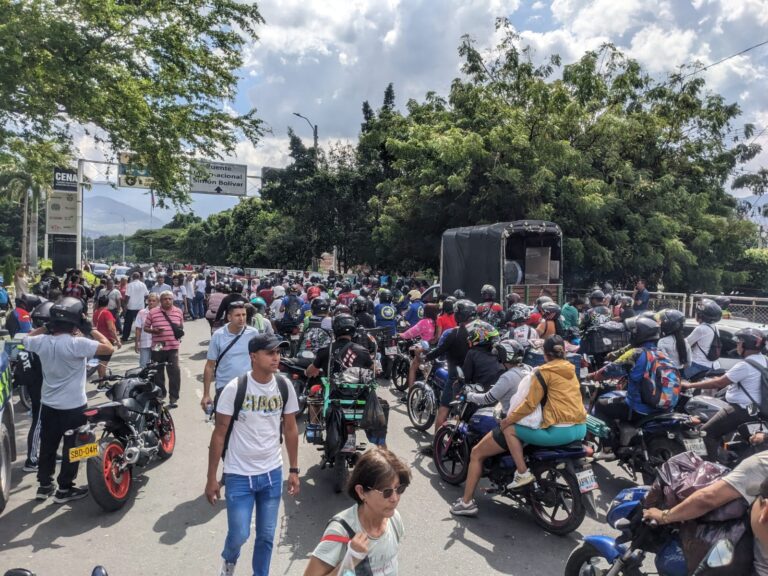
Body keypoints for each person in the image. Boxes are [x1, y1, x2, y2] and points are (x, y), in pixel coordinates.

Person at [205, 333, 301, 576]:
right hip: (238, 474)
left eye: (278, 352)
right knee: (239, 534)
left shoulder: (284, 386)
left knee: (266, 536)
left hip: (271, 473)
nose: (276, 357)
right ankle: (229, 561)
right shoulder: (235, 389)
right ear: (253, 357)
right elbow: (219, 434)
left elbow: (290, 429)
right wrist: (211, 478)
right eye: (270, 353)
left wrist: (293, 469)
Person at [22, 297, 113, 503]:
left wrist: (46, 327)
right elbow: (109, 348)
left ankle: (44, 486)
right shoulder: (78, 344)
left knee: (48, 446)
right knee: (75, 448)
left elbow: (25, 339)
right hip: (74, 407)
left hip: (49, 405)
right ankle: (65, 489)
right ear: (75, 323)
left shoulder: (41, 341)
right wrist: (90, 328)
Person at [644, 451, 768, 575]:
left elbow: (708, 498)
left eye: (760, 500)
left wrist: (665, 516)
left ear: (765, 512)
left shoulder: (761, 462)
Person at [450, 339, 530, 516]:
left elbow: (488, 398)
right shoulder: (528, 369)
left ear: (503, 356)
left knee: (476, 454)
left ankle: (466, 503)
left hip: (512, 423)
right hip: (530, 423)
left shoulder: (508, 377)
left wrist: (470, 395)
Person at [497, 335, 587, 489]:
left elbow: (529, 405)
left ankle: (522, 473)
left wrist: (508, 420)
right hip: (581, 428)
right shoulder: (571, 369)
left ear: (545, 354)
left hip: (560, 432)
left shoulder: (543, 372)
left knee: (509, 429)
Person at [305, 447, 410, 576]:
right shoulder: (340, 531)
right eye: (386, 492)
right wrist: (351, 558)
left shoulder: (394, 519)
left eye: (399, 489)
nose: (395, 498)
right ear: (361, 492)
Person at [683, 328, 766, 462]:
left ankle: (708, 467)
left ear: (746, 345)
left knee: (705, 432)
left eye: (739, 342)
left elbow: (719, 383)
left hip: (740, 409)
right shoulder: (764, 360)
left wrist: (689, 385)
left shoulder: (745, 365)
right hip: (755, 409)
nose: (737, 345)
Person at [590, 316, 677, 440]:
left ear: (638, 334)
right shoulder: (662, 354)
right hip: (664, 408)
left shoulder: (636, 353)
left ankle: (609, 444)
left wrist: (591, 376)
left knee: (601, 404)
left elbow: (607, 371)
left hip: (638, 409)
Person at [422, 299, 476, 449]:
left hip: (456, 378)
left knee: (443, 408)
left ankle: (436, 445)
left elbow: (440, 350)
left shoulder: (454, 333)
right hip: (475, 378)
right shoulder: (480, 332)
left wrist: (425, 356)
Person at [202, 302, 259, 413]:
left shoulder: (253, 333)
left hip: (248, 387)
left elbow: (258, 360)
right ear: (229, 317)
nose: (241, 318)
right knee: (224, 422)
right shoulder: (218, 335)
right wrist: (206, 394)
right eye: (237, 315)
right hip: (225, 387)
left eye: (244, 315)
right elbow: (209, 366)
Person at [14, 301, 52, 472]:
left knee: (46, 423)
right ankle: (31, 459)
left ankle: (46, 453)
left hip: (37, 386)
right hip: (39, 388)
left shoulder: (32, 338)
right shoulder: (38, 342)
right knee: (38, 422)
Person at [144, 290, 184, 408]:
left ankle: (174, 397)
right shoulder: (153, 312)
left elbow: (181, 327)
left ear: (173, 300)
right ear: (160, 301)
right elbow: (146, 328)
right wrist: (154, 331)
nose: (167, 301)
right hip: (158, 346)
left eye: (169, 299)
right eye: (165, 299)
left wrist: (178, 335)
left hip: (173, 347)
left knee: (175, 372)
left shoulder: (178, 311)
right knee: (157, 373)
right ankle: (161, 395)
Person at [399, 303, 439, 391]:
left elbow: (411, 332)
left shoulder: (425, 322)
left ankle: (410, 391)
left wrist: (401, 335)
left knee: (413, 367)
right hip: (436, 349)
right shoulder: (438, 321)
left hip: (425, 348)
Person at [685, 298, 722, 380]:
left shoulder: (701, 328)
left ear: (701, 315)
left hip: (698, 364)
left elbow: (686, 343)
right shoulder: (715, 327)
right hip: (712, 365)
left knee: (676, 378)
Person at [463, 320, 505, 389]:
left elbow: (466, 377)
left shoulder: (472, 353)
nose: (469, 337)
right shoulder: (498, 351)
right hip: (499, 388)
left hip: (481, 389)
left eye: (472, 335)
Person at [92, 294, 121, 378]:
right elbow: (111, 329)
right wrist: (117, 340)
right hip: (107, 340)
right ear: (107, 303)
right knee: (104, 362)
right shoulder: (106, 313)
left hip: (98, 339)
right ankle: (102, 382)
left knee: (100, 362)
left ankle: (102, 380)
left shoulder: (96, 313)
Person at [134, 293, 159, 368]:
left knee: (157, 365)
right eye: (150, 300)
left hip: (158, 343)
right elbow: (138, 329)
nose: (151, 302)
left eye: (153, 301)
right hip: (144, 343)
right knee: (143, 365)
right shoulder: (141, 312)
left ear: (158, 302)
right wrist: (137, 343)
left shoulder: (161, 312)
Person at [122, 272, 149, 341]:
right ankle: (141, 337)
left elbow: (127, 296)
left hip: (131, 307)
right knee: (141, 323)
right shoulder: (143, 285)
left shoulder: (130, 285)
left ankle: (125, 337)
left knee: (128, 323)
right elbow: (147, 295)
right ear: (139, 277)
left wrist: (125, 306)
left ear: (132, 277)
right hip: (140, 307)